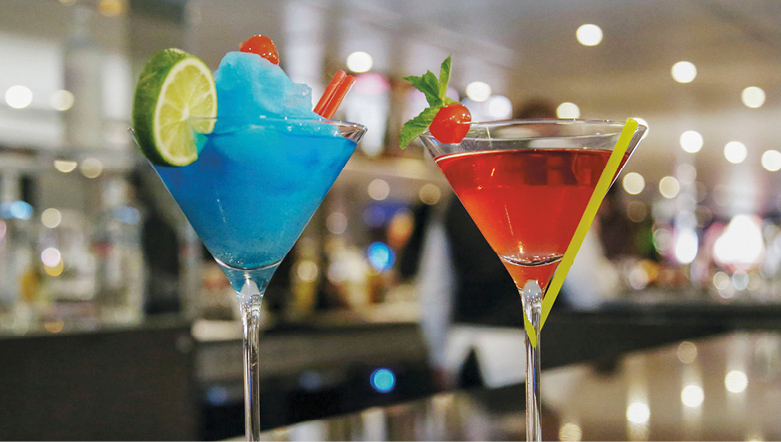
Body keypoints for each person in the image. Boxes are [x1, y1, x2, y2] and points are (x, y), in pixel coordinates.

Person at [412, 98, 621, 388]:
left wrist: (438, 356)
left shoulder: (454, 202)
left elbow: (434, 291)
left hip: (465, 354)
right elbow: (588, 289)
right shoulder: (556, 195)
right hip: (541, 357)